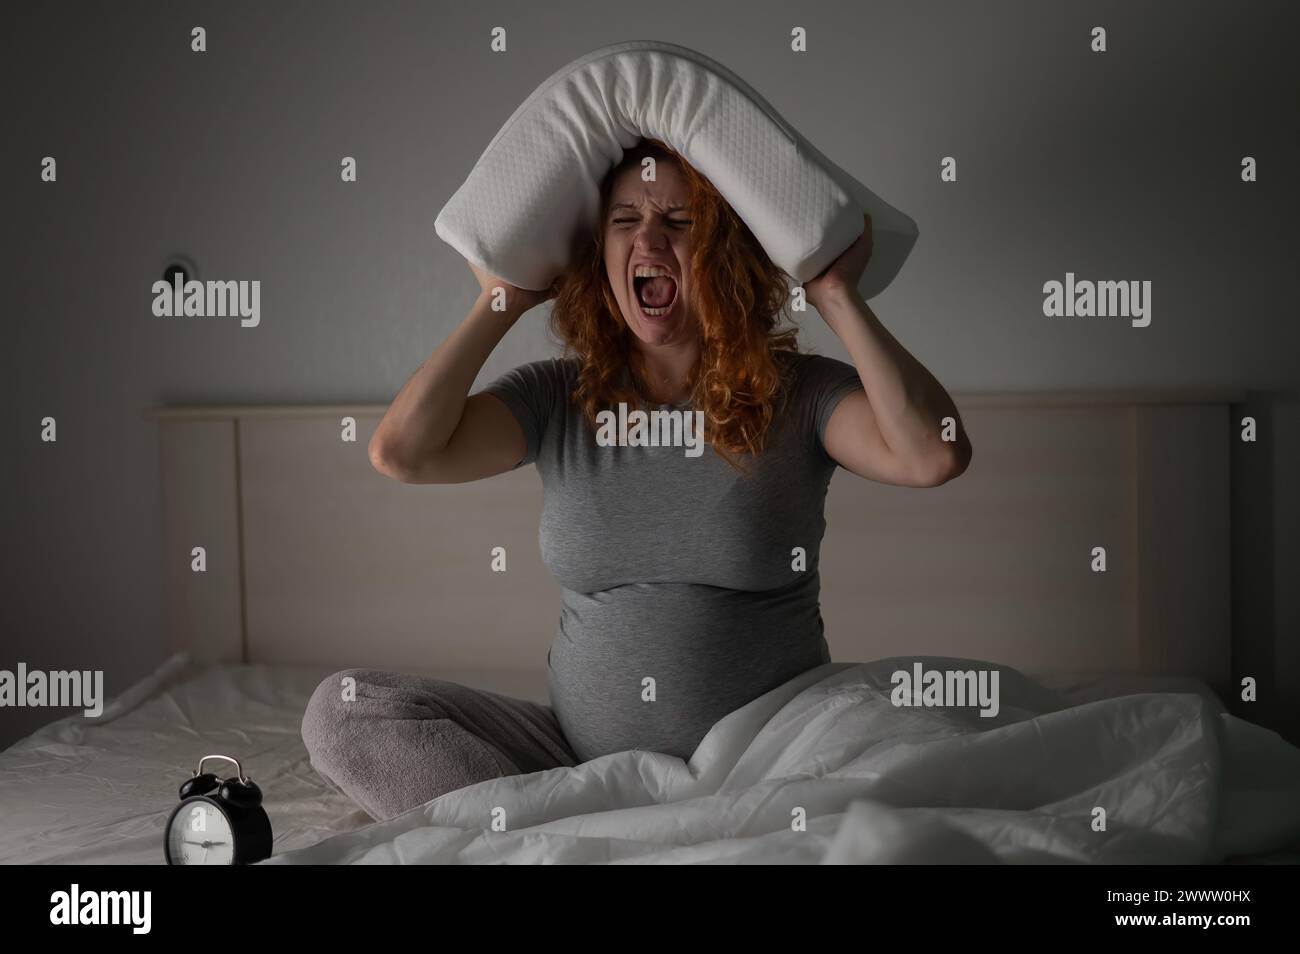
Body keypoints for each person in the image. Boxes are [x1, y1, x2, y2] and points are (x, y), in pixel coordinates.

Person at [301, 138, 972, 821]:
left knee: (926, 727)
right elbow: (402, 454)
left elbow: (934, 456)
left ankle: (545, 836)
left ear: (722, 253)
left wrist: (833, 294)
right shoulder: (557, 397)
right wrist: (501, 302)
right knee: (342, 713)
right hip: (576, 761)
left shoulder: (798, 395)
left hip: (765, 763)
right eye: (625, 220)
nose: (648, 236)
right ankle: (554, 835)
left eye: (679, 222)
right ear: (602, 254)